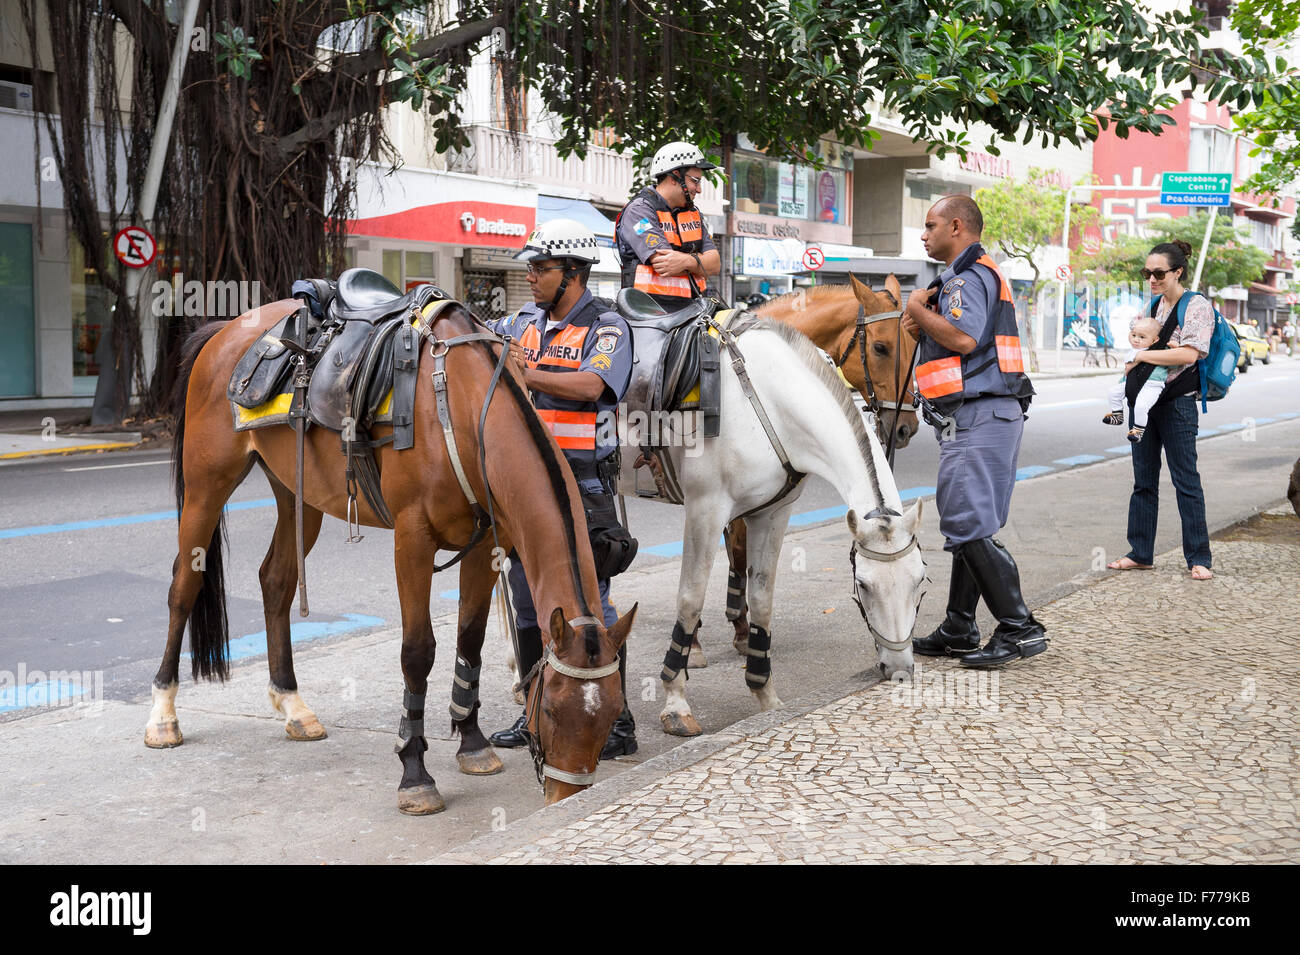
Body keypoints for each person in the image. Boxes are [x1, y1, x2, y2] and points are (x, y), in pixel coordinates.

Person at [485, 219, 641, 758]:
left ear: (572, 273)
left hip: (582, 486)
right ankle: (536, 713)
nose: (529, 276)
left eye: (540, 268)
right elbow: (482, 337)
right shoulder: (523, 321)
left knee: (590, 611)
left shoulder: (609, 327)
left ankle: (617, 724)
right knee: (528, 606)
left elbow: (594, 385)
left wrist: (529, 376)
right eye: (530, 267)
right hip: (526, 491)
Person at [902, 195, 1047, 668]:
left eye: (929, 226)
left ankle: (1019, 628)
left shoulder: (966, 277)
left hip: (980, 414)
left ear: (957, 227)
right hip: (989, 413)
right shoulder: (967, 275)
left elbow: (965, 338)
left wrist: (916, 310)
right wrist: (922, 320)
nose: (923, 235)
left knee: (966, 523)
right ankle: (960, 627)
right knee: (973, 524)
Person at [1106, 240, 1214, 581]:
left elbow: (1189, 354)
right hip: (1145, 404)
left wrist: (1142, 356)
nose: (1151, 278)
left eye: (1159, 273)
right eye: (1147, 272)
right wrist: (1138, 354)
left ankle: (1199, 558)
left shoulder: (1196, 306)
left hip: (1179, 403)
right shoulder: (1152, 306)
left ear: (1177, 271)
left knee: (1186, 480)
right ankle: (1140, 553)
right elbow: (1142, 342)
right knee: (1143, 481)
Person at [615, 141, 722, 310]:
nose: (699, 189)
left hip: (692, 311)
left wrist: (686, 261)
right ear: (674, 177)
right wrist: (699, 264)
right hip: (647, 313)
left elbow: (715, 264)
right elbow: (665, 265)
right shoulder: (639, 211)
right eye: (695, 181)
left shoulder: (692, 214)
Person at [1102, 316, 1168, 442]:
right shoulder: (1132, 351)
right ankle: (1117, 414)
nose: (1136, 340)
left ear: (1155, 340)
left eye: (1142, 337)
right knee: (1113, 392)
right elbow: (1127, 371)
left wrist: (1174, 348)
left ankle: (1138, 430)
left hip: (1152, 384)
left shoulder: (1161, 350)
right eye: (1134, 335)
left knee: (1141, 406)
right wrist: (1123, 383)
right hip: (1133, 382)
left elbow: (1174, 363)